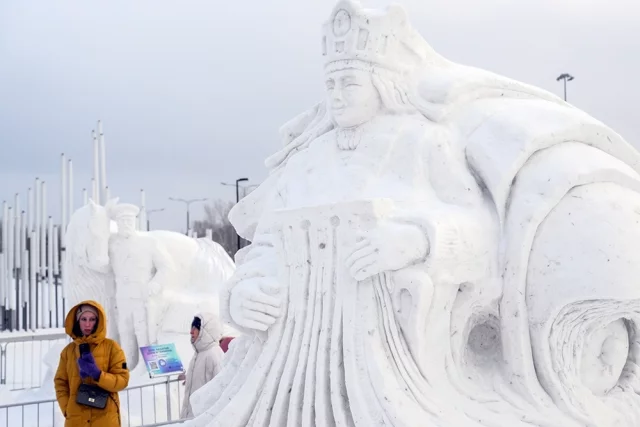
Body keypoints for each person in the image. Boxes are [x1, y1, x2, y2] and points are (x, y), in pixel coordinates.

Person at [108, 203, 174, 369]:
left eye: (129, 220)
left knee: (145, 334)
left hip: (143, 298)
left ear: (135, 221)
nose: (126, 224)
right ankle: (128, 369)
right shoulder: (113, 245)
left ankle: (149, 368)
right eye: (122, 221)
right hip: (122, 299)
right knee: (126, 334)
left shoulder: (149, 242)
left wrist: (156, 284)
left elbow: (167, 267)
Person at [54, 300, 129, 426]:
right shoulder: (68, 352)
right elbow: (60, 382)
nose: (87, 324)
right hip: (76, 420)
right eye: (83, 319)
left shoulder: (112, 347)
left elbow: (122, 380)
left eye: (92, 319)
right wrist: (67, 408)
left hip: (105, 419)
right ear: (77, 321)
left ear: (98, 321)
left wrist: (98, 375)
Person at [179, 313, 224, 419]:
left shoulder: (213, 355)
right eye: (192, 327)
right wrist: (188, 378)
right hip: (191, 417)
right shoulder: (198, 354)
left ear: (206, 331)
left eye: (196, 328)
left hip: (204, 418)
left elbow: (220, 387)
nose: (191, 331)